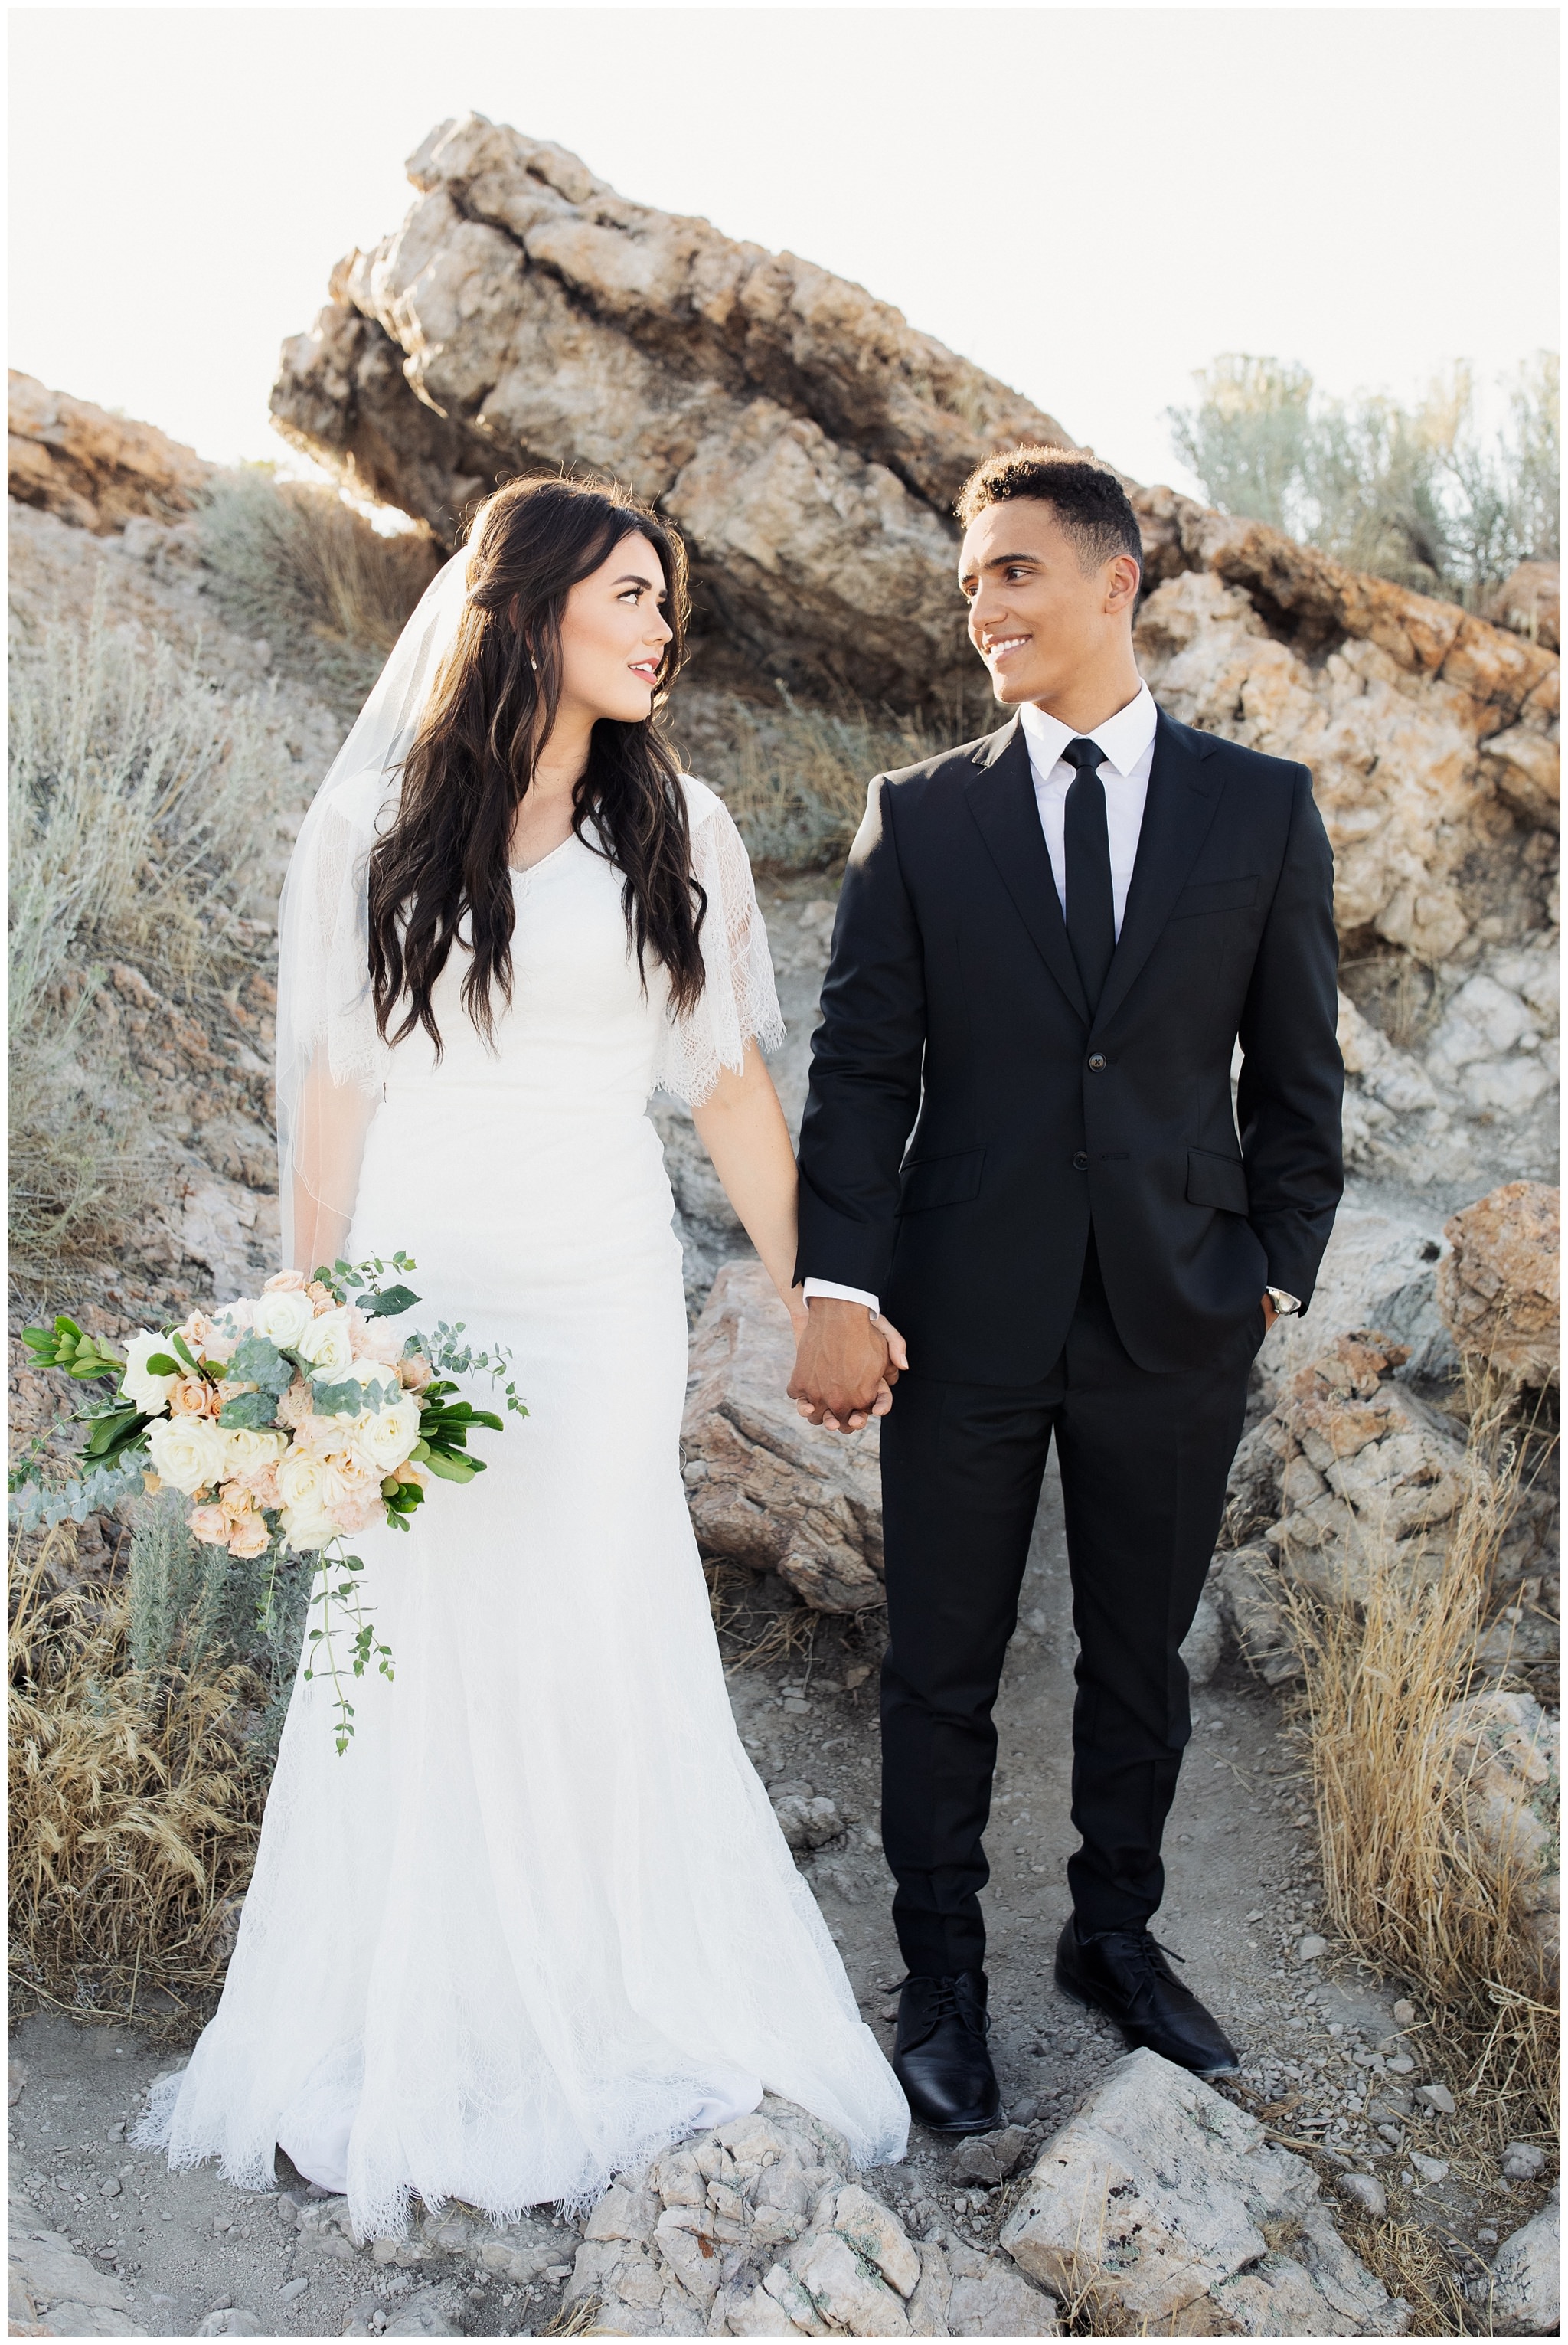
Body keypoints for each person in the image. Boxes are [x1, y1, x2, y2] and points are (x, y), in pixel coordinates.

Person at [144, 477, 907, 2235]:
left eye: (669, 603)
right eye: (633, 595)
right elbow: (334, 1099)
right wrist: (303, 1329)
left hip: (594, 1296)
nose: (660, 628)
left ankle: (607, 1994)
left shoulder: (682, 827)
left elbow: (725, 1090)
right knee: (418, 1641)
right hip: (421, 1290)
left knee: (583, 1622)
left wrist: (818, 1292)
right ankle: (423, 2022)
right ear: (535, 604)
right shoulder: (372, 829)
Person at [789, 446, 1343, 2134]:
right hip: (959, 1311)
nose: (985, 607)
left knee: (1138, 1656)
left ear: (1113, 582)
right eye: (970, 583)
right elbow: (862, 1067)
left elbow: (1299, 1080)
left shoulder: (1259, 807)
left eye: (1014, 571)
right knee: (938, 1663)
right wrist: (838, 1283)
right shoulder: (920, 810)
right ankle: (938, 1973)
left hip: (1178, 1308)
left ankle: (1113, 1935)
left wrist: (1270, 1280)